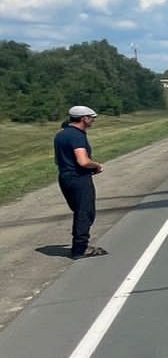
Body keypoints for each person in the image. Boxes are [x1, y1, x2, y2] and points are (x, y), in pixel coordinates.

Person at [54, 105, 106, 258]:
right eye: (92, 118)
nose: (93, 120)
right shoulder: (77, 136)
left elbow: (58, 160)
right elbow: (83, 161)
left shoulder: (61, 135)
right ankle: (80, 248)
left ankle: (80, 243)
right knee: (85, 213)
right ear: (84, 118)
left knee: (79, 211)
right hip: (79, 179)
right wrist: (96, 166)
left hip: (65, 177)